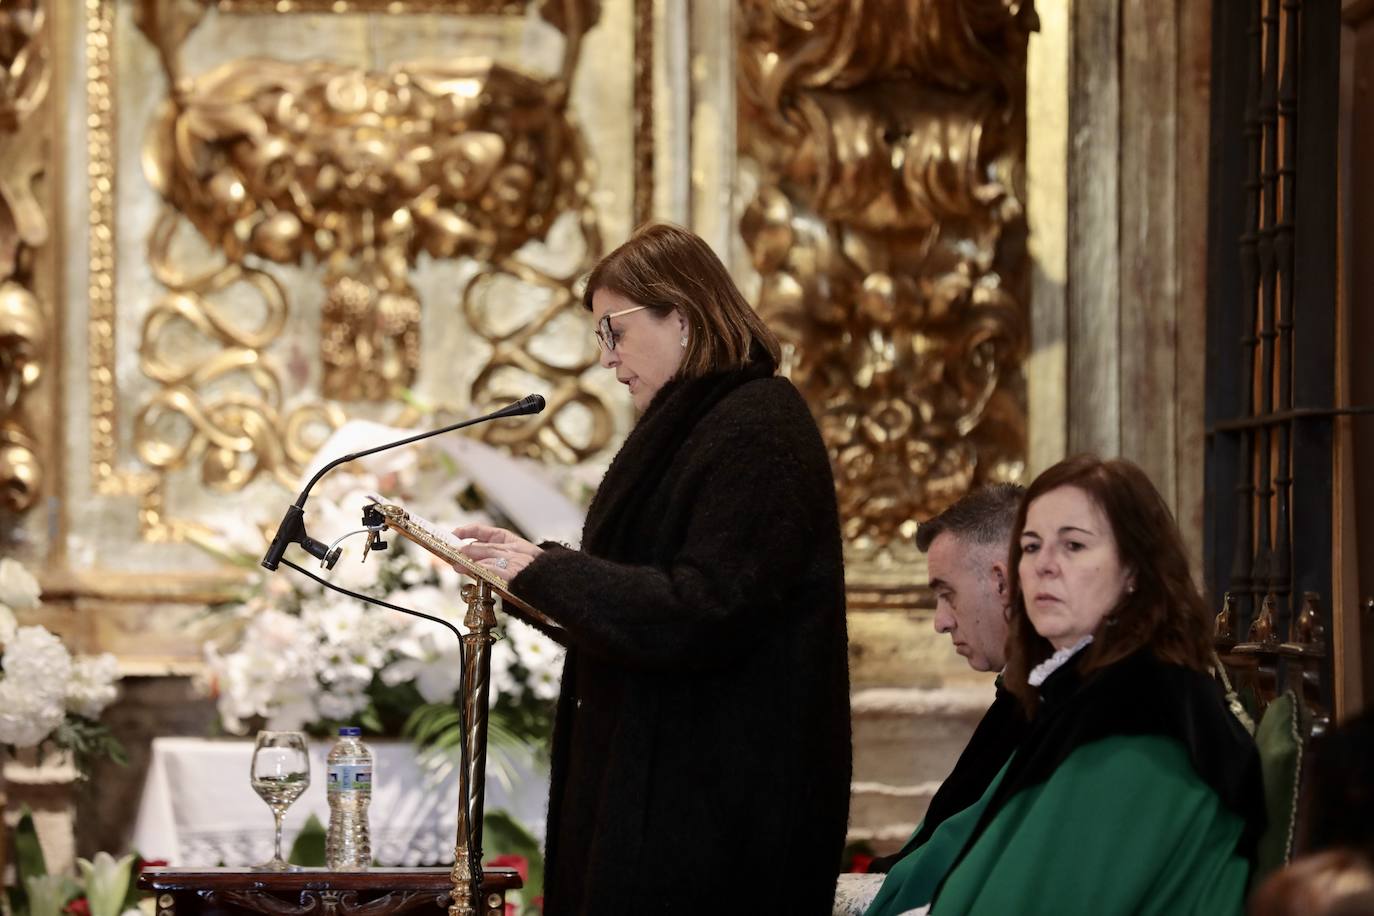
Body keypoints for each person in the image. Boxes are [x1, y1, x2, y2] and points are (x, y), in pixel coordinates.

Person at [453, 223, 852, 915]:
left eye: (614, 331)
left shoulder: (757, 423)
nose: (607, 359)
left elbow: (706, 608)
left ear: (685, 317)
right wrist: (525, 582)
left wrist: (548, 574)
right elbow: (639, 605)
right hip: (664, 795)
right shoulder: (694, 426)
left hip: (715, 815)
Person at [865, 455, 1266, 916]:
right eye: (1031, 547)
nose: (1043, 566)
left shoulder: (1140, 712)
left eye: (1073, 545)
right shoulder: (1079, 693)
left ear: (1134, 569)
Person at [867, 483, 1028, 875]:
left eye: (947, 593)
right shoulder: (1020, 697)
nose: (941, 622)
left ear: (1001, 583)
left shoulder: (1044, 707)